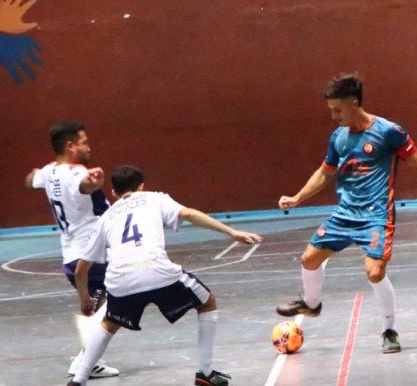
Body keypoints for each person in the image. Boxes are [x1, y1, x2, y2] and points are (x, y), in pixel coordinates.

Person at [275, 73, 417, 353]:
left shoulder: (388, 131)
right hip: (345, 214)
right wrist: (298, 197)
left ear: (354, 103)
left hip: (376, 216)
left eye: (337, 110)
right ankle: (311, 305)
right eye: (330, 110)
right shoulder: (338, 137)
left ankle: (389, 331)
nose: (334, 116)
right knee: (309, 259)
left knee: (374, 273)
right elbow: (324, 173)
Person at [67, 165, 262, 386]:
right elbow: (188, 213)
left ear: (114, 192)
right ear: (141, 186)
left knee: (108, 323)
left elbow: (80, 270)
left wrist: (85, 298)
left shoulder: (106, 217)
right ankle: (204, 374)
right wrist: (232, 232)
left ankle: (78, 381)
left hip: (121, 280)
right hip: (158, 272)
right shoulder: (154, 198)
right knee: (207, 302)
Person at [24, 120, 119, 379]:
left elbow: (30, 180)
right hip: (92, 255)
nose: (89, 147)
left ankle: (90, 360)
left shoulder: (49, 171)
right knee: (118, 300)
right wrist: (92, 181)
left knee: (100, 307)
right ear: (70, 146)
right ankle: (83, 361)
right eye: (84, 142)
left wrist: (34, 175)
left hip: (71, 255)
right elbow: (83, 185)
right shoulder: (76, 173)